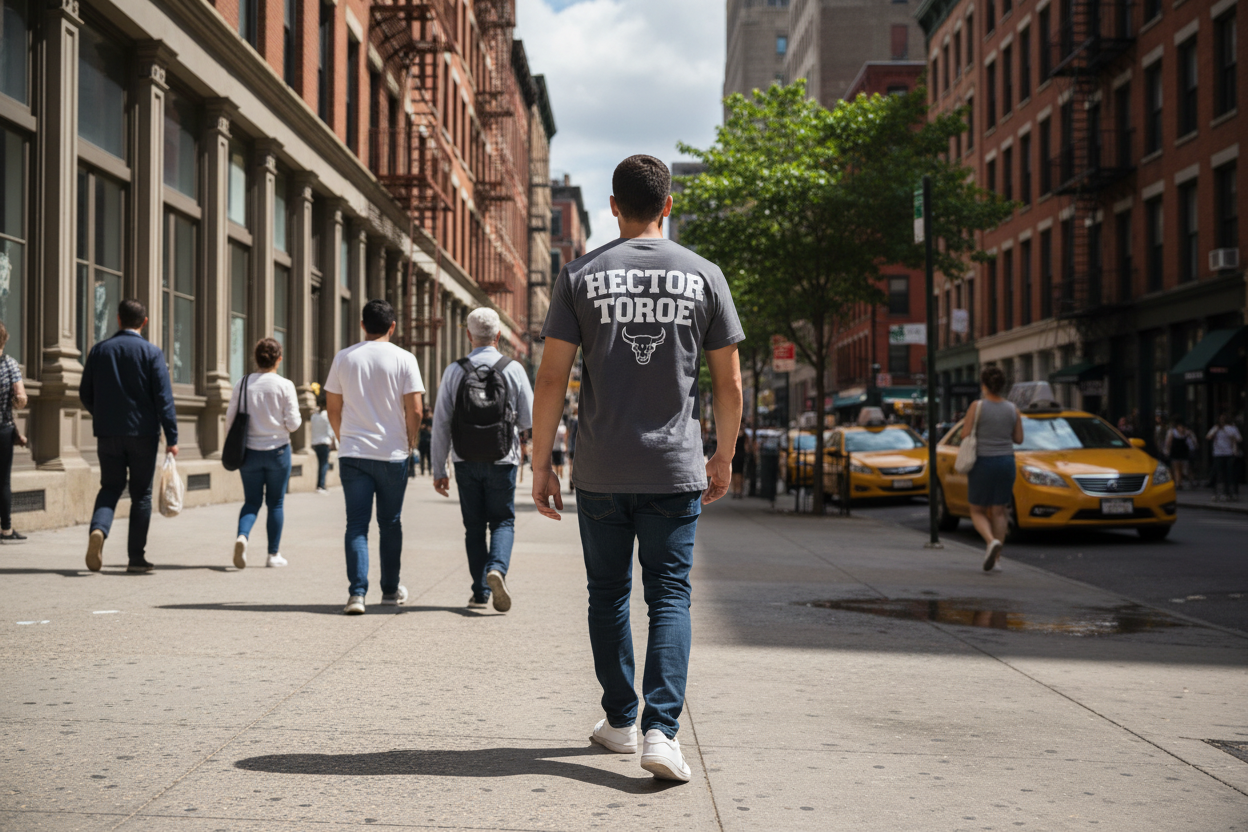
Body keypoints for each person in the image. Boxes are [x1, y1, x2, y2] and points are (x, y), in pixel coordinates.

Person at [531, 155, 745, 782]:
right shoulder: (705, 275)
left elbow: (551, 378)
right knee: (670, 595)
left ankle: (621, 719)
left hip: (599, 467)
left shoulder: (579, 276)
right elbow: (727, 384)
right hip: (674, 468)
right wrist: (723, 455)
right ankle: (661, 732)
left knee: (607, 596)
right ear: (669, 205)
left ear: (614, 208)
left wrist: (542, 464)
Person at [430, 307, 534, 611]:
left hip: (464, 459)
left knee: (473, 527)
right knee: (502, 520)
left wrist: (439, 469)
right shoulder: (512, 369)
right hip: (502, 459)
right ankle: (497, 569)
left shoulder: (454, 370)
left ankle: (479, 591)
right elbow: (527, 419)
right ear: (498, 336)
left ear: (468, 335)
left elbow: (440, 423)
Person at [324, 299, 424, 615]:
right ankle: (391, 591)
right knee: (390, 523)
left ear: (363, 325)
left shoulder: (344, 358)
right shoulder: (405, 358)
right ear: (392, 327)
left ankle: (357, 595)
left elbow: (333, 408)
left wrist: (344, 439)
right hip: (393, 453)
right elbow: (417, 410)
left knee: (356, 525)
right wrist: (410, 442)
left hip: (354, 452)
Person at [79, 299, 178, 573]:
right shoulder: (152, 353)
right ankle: (136, 558)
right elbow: (164, 399)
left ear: (119, 320)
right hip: (143, 434)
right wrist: (172, 437)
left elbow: (85, 393)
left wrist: (102, 415)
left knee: (110, 487)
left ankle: (99, 530)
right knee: (141, 495)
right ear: (143, 323)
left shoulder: (99, 351)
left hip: (108, 433)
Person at [227, 338, 302, 569]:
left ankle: (243, 536)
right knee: (276, 503)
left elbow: (231, 419)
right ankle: (273, 555)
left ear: (255, 358)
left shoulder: (243, 383)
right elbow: (294, 423)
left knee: (251, 501)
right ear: (279, 359)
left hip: (248, 452)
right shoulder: (285, 385)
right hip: (278, 452)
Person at [964, 365, 1023, 573]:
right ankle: (997, 560)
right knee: (999, 511)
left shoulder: (976, 406)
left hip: (983, 462)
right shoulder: (1012, 409)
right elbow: (1019, 438)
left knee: (977, 509)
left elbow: (964, 434)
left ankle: (990, 542)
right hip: (1006, 462)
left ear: (984, 384)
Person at [0, 322, 29, 542]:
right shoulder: (9, 364)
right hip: (3, 429)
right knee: (3, 481)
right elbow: (21, 398)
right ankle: (6, 530)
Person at [1207, 414, 1243, 502]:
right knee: (1220, 473)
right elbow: (1208, 437)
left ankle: (1229, 492)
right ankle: (1220, 492)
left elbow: (1239, 439)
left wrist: (1231, 436)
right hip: (1219, 453)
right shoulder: (1216, 428)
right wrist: (1215, 432)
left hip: (1229, 453)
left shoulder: (1232, 428)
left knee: (1229, 474)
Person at [310, 393, 335, 493]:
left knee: (320, 464)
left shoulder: (314, 416)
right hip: (325, 442)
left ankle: (319, 484)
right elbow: (330, 431)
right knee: (324, 464)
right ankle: (321, 485)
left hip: (315, 443)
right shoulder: (327, 415)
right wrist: (332, 442)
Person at [1164, 418, 1196, 491]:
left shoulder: (1187, 433)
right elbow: (1168, 442)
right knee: (1176, 468)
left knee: (1183, 468)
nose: (1182, 429)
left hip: (1183, 452)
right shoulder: (1172, 432)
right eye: (1180, 427)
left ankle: (1182, 481)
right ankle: (1178, 483)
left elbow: (1192, 442)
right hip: (1175, 451)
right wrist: (1167, 451)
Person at [731, 423, 750, 499]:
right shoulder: (745, 436)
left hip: (734, 456)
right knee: (741, 474)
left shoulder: (733, 434)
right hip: (741, 456)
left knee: (734, 474)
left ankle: (735, 491)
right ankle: (739, 491)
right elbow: (747, 447)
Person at [418, 407, 433, 476]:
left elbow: (433, 428)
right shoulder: (421, 420)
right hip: (422, 441)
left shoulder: (430, 420)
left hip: (429, 441)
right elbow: (418, 428)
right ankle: (422, 470)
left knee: (429, 457)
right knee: (422, 457)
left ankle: (430, 470)